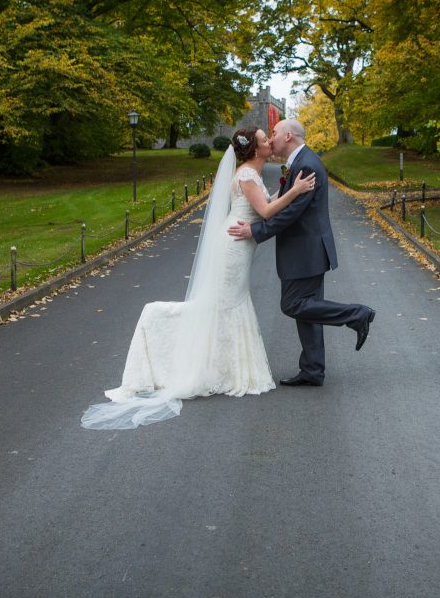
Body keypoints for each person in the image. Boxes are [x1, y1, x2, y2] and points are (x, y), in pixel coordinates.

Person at [81, 127, 316, 429]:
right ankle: (157, 322)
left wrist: (286, 188)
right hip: (234, 246)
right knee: (223, 303)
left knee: (227, 302)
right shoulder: (246, 175)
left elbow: (264, 204)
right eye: (264, 139)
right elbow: (267, 212)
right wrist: (295, 191)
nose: (270, 141)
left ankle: (225, 367)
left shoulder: (250, 173)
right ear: (256, 150)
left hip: (240, 244)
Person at [227, 119, 374, 387]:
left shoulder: (305, 164)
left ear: (289, 136)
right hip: (308, 249)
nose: (272, 139)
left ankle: (357, 314)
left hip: (305, 250)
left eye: (274, 133)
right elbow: (285, 203)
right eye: (268, 136)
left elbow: (291, 214)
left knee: (293, 305)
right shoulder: (300, 162)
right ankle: (313, 369)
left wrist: (257, 231)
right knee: (308, 310)